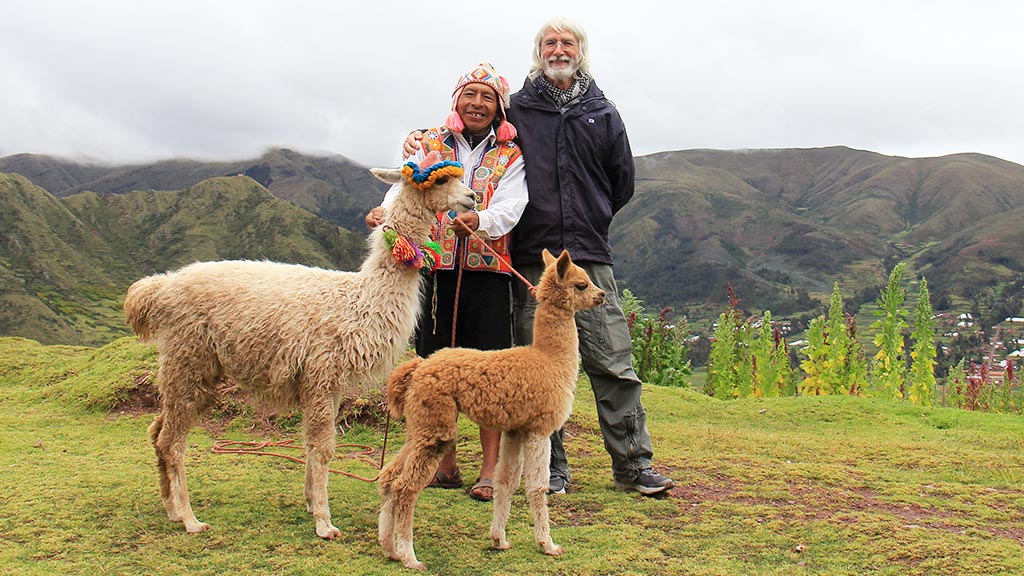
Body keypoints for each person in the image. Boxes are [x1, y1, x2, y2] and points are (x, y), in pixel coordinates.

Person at [404, 17, 673, 497]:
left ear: (580, 51)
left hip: (587, 255)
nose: (558, 49)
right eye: (549, 43)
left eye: (567, 42)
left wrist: (592, 216)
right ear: (538, 52)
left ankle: (633, 464)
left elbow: (622, 180)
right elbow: (462, 134)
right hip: (533, 256)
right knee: (540, 363)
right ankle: (549, 470)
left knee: (611, 358)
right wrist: (414, 140)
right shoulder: (520, 111)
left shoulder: (603, 112)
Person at [368, 62, 528, 502]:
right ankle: (445, 462)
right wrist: (385, 212)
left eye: (487, 97)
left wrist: (481, 220)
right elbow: (407, 184)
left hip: (486, 271)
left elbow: (514, 204)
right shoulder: (432, 143)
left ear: (499, 106)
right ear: (457, 100)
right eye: (470, 95)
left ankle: (490, 471)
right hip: (434, 268)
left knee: (488, 368)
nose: (477, 103)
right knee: (435, 364)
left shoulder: (510, 155)